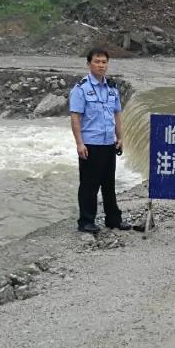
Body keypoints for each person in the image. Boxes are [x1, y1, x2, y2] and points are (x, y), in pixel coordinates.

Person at [69, 47, 131, 234]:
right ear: (89, 64)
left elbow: (117, 114)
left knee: (109, 183)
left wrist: (120, 137)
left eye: (104, 62)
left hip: (108, 143)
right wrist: (79, 143)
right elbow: (75, 118)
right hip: (91, 144)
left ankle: (113, 219)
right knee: (89, 185)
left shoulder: (112, 88)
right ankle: (86, 221)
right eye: (97, 61)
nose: (101, 65)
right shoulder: (81, 89)